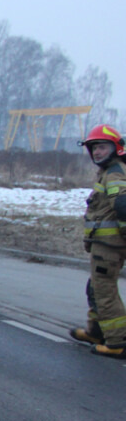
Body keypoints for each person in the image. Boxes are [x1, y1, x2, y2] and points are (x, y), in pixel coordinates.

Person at [70, 124, 126, 357]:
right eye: (94, 148)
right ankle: (96, 331)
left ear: (116, 148)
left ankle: (117, 342)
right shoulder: (108, 171)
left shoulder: (114, 173)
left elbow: (122, 206)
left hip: (110, 246)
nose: (97, 152)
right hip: (104, 245)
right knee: (95, 287)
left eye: (102, 147)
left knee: (104, 291)